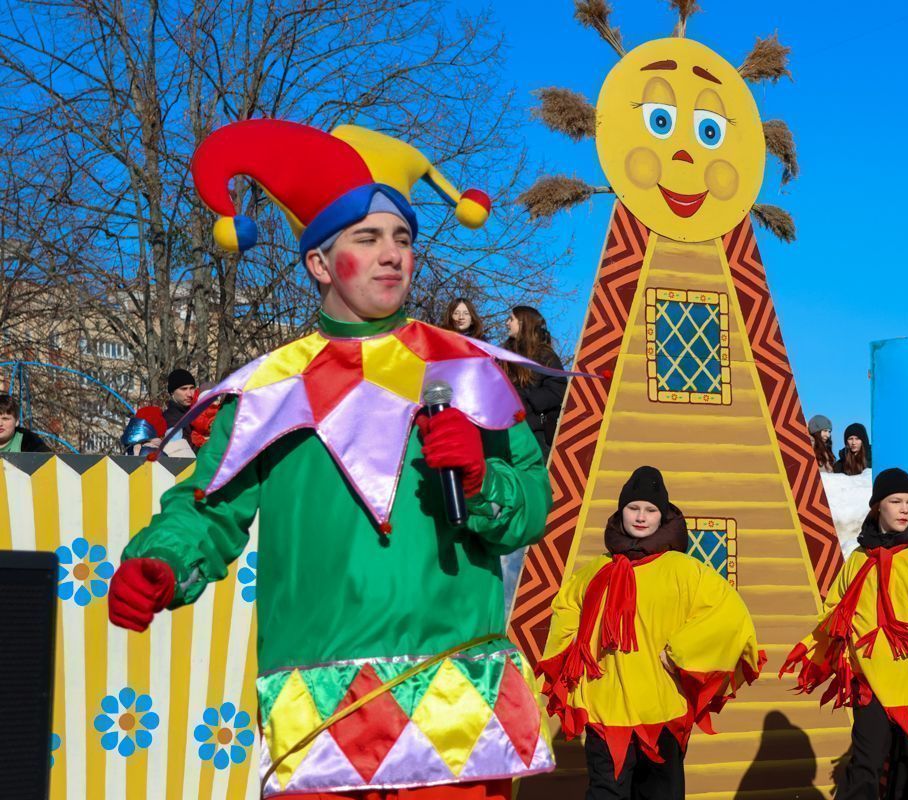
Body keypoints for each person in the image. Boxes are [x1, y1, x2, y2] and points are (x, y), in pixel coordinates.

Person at [107, 119, 566, 799]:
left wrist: (480, 481)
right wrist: (163, 561)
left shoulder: (466, 370)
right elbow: (208, 509)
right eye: (368, 238)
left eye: (403, 238)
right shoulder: (268, 389)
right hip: (322, 714)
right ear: (320, 264)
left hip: (454, 707)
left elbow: (531, 506)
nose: (393, 255)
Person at [538, 466, 763, 800]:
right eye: (633, 508)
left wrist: (680, 652)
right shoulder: (594, 571)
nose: (641, 517)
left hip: (662, 710)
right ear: (621, 512)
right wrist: (575, 662)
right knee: (605, 794)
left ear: (663, 516)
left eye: (650, 510)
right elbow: (566, 612)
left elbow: (729, 614)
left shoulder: (684, 571)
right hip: (605, 710)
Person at [779, 468, 908, 800]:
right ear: (878, 506)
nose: (905, 509)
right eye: (896, 501)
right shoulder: (860, 557)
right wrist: (842, 643)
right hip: (871, 679)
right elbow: (837, 607)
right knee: (865, 765)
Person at [503, 305, 567, 459]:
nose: (507, 323)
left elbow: (557, 389)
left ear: (523, 323)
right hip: (506, 432)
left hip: (535, 432)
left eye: (511, 319)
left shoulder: (545, 356)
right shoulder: (503, 356)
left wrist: (526, 398)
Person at [162, 368, 197, 439]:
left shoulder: (197, 412)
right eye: (184, 389)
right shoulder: (170, 420)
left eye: (192, 388)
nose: (190, 394)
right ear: (172, 392)